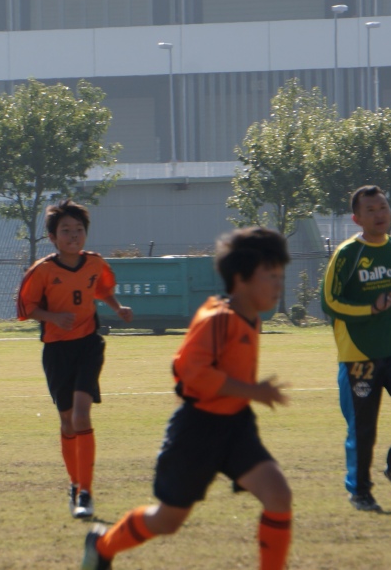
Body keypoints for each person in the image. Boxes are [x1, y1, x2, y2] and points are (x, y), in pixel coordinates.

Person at [82, 227, 293, 570]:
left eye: (281, 276)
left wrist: (248, 395)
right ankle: (102, 545)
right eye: (271, 275)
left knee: (278, 494)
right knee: (167, 520)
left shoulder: (252, 319)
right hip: (197, 431)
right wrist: (252, 391)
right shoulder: (217, 319)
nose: (278, 284)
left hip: (236, 425)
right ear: (241, 278)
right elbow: (189, 372)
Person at [16, 199, 132, 519]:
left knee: (82, 415)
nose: (73, 235)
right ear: (53, 237)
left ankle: (86, 493)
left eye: (78, 229)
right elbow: (26, 309)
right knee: (67, 420)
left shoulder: (94, 263)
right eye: (65, 230)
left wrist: (117, 307)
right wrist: (53, 317)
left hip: (88, 344)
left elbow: (102, 289)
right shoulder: (42, 271)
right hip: (57, 351)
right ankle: (75, 483)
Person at [322, 185, 391, 511]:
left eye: (383, 207)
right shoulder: (347, 254)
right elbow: (329, 302)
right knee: (363, 428)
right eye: (371, 210)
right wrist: (371, 308)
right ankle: (360, 492)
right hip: (359, 354)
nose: (379, 214)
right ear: (357, 218)